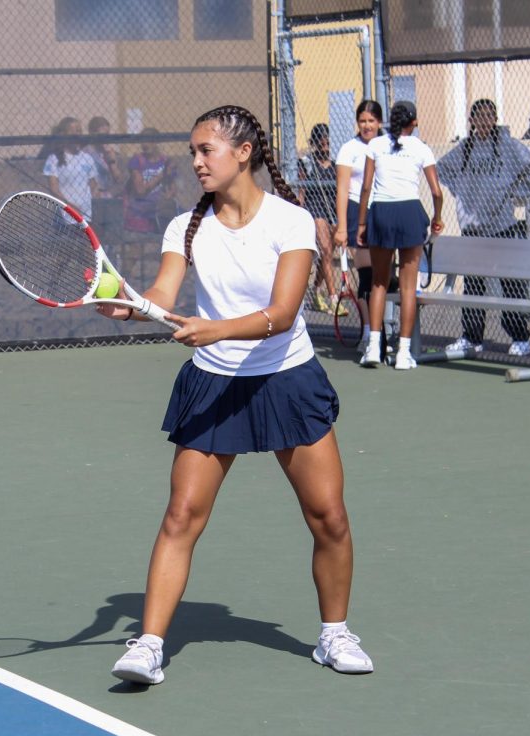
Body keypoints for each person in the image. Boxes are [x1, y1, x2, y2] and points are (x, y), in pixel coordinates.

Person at [95, 104, 372, 685]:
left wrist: (211, 327)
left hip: (286, 380)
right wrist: (133, 304)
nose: (195, 162)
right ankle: (148, 645)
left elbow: (283, 311)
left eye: (206, 151)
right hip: (214, 383)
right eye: (193, 152)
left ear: (243, 153)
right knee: (181, 516)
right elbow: (164, 290)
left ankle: (333, 634)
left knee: (329, 518)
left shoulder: (290, 222)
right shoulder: (185, 226)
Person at [437, 99, 530, 357]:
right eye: (479, 116)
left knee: (510, 285)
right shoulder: (466, 148)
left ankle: (519, 336)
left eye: (489, 116)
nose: (484, 121)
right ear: (471, 120)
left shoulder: (508, 146)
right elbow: (442, 169)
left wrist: (516, 194)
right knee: (473, 285)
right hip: (474, 229)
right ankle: (472, 336)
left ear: (495, 119)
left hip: (503, 226)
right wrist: (462, 194)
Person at [355, 100, 444, 370]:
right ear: (413, 122)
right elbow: (436, 191)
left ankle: (373, 348)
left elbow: (366, 188)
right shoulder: (421, 148)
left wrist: (361, 224)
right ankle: (403, 354)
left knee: (378, 283)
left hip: (380, 214)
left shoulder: (374, 146)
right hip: (409, 213)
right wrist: (438, 218)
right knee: (408, 286)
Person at [332, 100, 384, 348]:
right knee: (367, 276)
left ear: (380, 122)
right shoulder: (348, 149)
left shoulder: (389, 146)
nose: (367, 126)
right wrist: (342, 227)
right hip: (355, 212)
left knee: (385, 278)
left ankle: (382, 330)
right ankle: (368, 330)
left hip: (384, 211)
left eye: (371, 121)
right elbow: (342, 189)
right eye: (363, 121)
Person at [297, 123, 340, 312]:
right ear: (315, 143)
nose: (325, 145)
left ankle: (315, 291)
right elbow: (301, 190)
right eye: (321, 142)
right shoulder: (307, 163)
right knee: (325, 248)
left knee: (328, 255)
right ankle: (333, 297)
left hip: (332, 211)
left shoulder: (337, 166)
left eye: (327, 142)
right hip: (315, 209)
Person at [42, 116, 100, 219]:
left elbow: (93, 184)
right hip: (65, 214)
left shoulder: (87, 158)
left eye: (79, 131)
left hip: (85, 215)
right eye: (73, 131)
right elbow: (54, 188)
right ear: (64, 135)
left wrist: (87, 203)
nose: (77, 135)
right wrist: (69, 206)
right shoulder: (54, 158)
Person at [124, 127, 177, 234]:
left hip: (159, 210)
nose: (145, 144)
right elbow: (140, 190)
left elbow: (173, 187)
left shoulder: (165, 161)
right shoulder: (137, 161)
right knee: (137, 245)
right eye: (142, 141)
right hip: (139, 210)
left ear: (157, 142)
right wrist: (162, 174)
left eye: (149, 140)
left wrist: (168, 196)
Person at [84, 116, 125, 198]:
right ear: (92, 133)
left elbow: (120, 181)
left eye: (107, 135)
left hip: (108, 195)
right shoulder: (85, 153)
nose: (105, 138)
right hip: (90, 194)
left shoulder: (112, 153)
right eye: (102, 135)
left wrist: (112, 162)